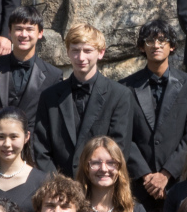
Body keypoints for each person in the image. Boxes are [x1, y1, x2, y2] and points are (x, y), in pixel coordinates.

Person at [120, 20, 187, 210]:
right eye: (150, 41)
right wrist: (147, 176)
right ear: (142, 47)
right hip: (138, 186)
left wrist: (166, 174)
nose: (156, 45)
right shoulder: (124, 88)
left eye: (162, 40)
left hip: (180, 182)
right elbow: (122, 135)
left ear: (172, 46)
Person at [34, 24, 136, 176]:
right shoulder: (49, 96)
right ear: (67, 52)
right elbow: (41, 148)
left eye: (88, 51)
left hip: (101, 184)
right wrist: (59, 186)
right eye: (75, 50)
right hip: (59, 189)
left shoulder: (120, 95)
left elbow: (119, 148)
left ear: (101, 53)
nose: (81, 57)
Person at [0, 6, 63, 121]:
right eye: (18, 29)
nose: (24, 34)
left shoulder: (53, 76)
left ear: (40, 33)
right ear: (9, 32)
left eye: (30, 29)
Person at [0, 109, 47, 212]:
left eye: (14, 137)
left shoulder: (42, 181)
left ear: (26, 137)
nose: (7, 144)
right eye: (1, 137)